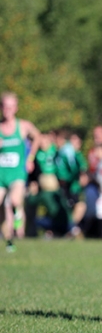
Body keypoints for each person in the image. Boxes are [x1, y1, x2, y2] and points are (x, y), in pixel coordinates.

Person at [0, 92, 41, 251]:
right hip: (1, 173)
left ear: (16, 108)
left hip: (17, 173)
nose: (8, 110)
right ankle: (9, 241)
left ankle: (18, 217)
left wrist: (30, 158)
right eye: (5, 106)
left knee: (15, 201)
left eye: (11, 107)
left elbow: (37, 137)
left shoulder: (23, 126)